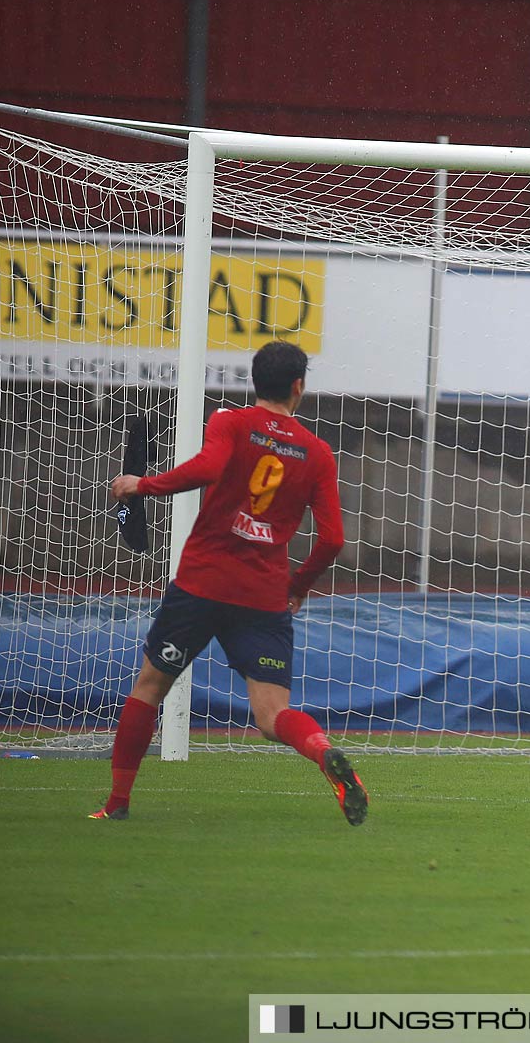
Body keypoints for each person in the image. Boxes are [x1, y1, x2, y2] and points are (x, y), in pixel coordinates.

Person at [90, 342, 361, 824]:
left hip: (203, 583)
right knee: (273, 715)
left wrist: (141, 484)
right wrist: (299, 585)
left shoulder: (229, 423)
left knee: (150, 686)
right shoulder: (317, 452)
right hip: (263, 596)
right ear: (299, 386)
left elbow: (209, 469)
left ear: (255, 381)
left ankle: (116, 804)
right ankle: (322, 751)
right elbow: (333, 539)